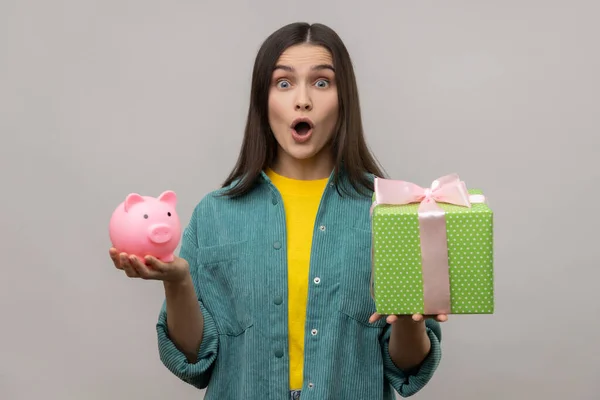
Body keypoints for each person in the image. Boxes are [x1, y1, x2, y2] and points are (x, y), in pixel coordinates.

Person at [109, 22, 445, 400]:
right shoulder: (216, 215)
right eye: (283, 83)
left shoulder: (391, 214)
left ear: (344, 98)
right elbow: (194, 360)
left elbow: (407, 369)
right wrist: (178, 282)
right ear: (262, 100)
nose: (302, 100)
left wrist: (407, 320)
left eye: (322, 83)